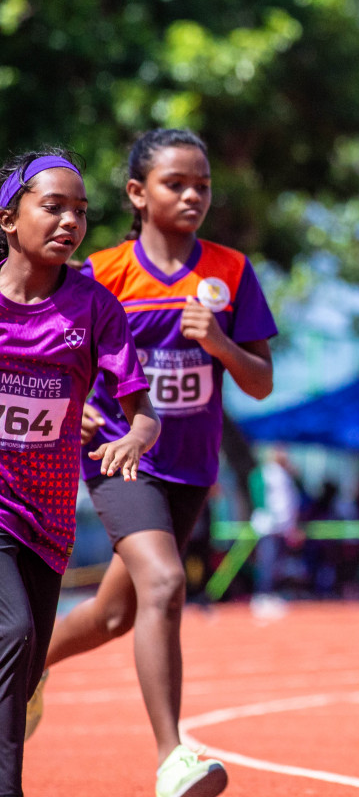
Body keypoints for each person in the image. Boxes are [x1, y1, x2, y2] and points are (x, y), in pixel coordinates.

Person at [43, 130, 276, 797]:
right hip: (121, 458)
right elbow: (51, 352)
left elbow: (260, 382)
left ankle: (20, 670)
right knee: (167, 583)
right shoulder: (102, 273)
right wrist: (76, 400)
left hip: (191, 469)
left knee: (116, 614)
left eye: (202, 183)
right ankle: (174, 756)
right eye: (177, 183)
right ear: (138, 194)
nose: (194, 195)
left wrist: (224, 345)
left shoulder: (230, 272)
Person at [0, 150, 158, 795]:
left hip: (49, 516)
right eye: (53, 206)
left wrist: (134, 440)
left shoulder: (94, 308)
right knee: (11, 631)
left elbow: (141, 411)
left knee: (27, 657)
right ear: (8, 220)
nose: (70, 221)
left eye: (81, 211)